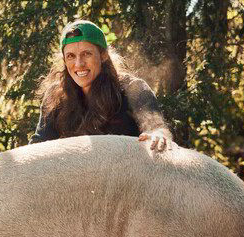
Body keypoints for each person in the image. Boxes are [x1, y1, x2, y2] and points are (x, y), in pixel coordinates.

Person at [29, 20, 173, 151]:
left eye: (87, 54)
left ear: (103, 55)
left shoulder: (133, 89)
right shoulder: (56, 96)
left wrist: (157, 134)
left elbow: (156, 128)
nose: (79, 64)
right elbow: (40, 144)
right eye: (71, 56)